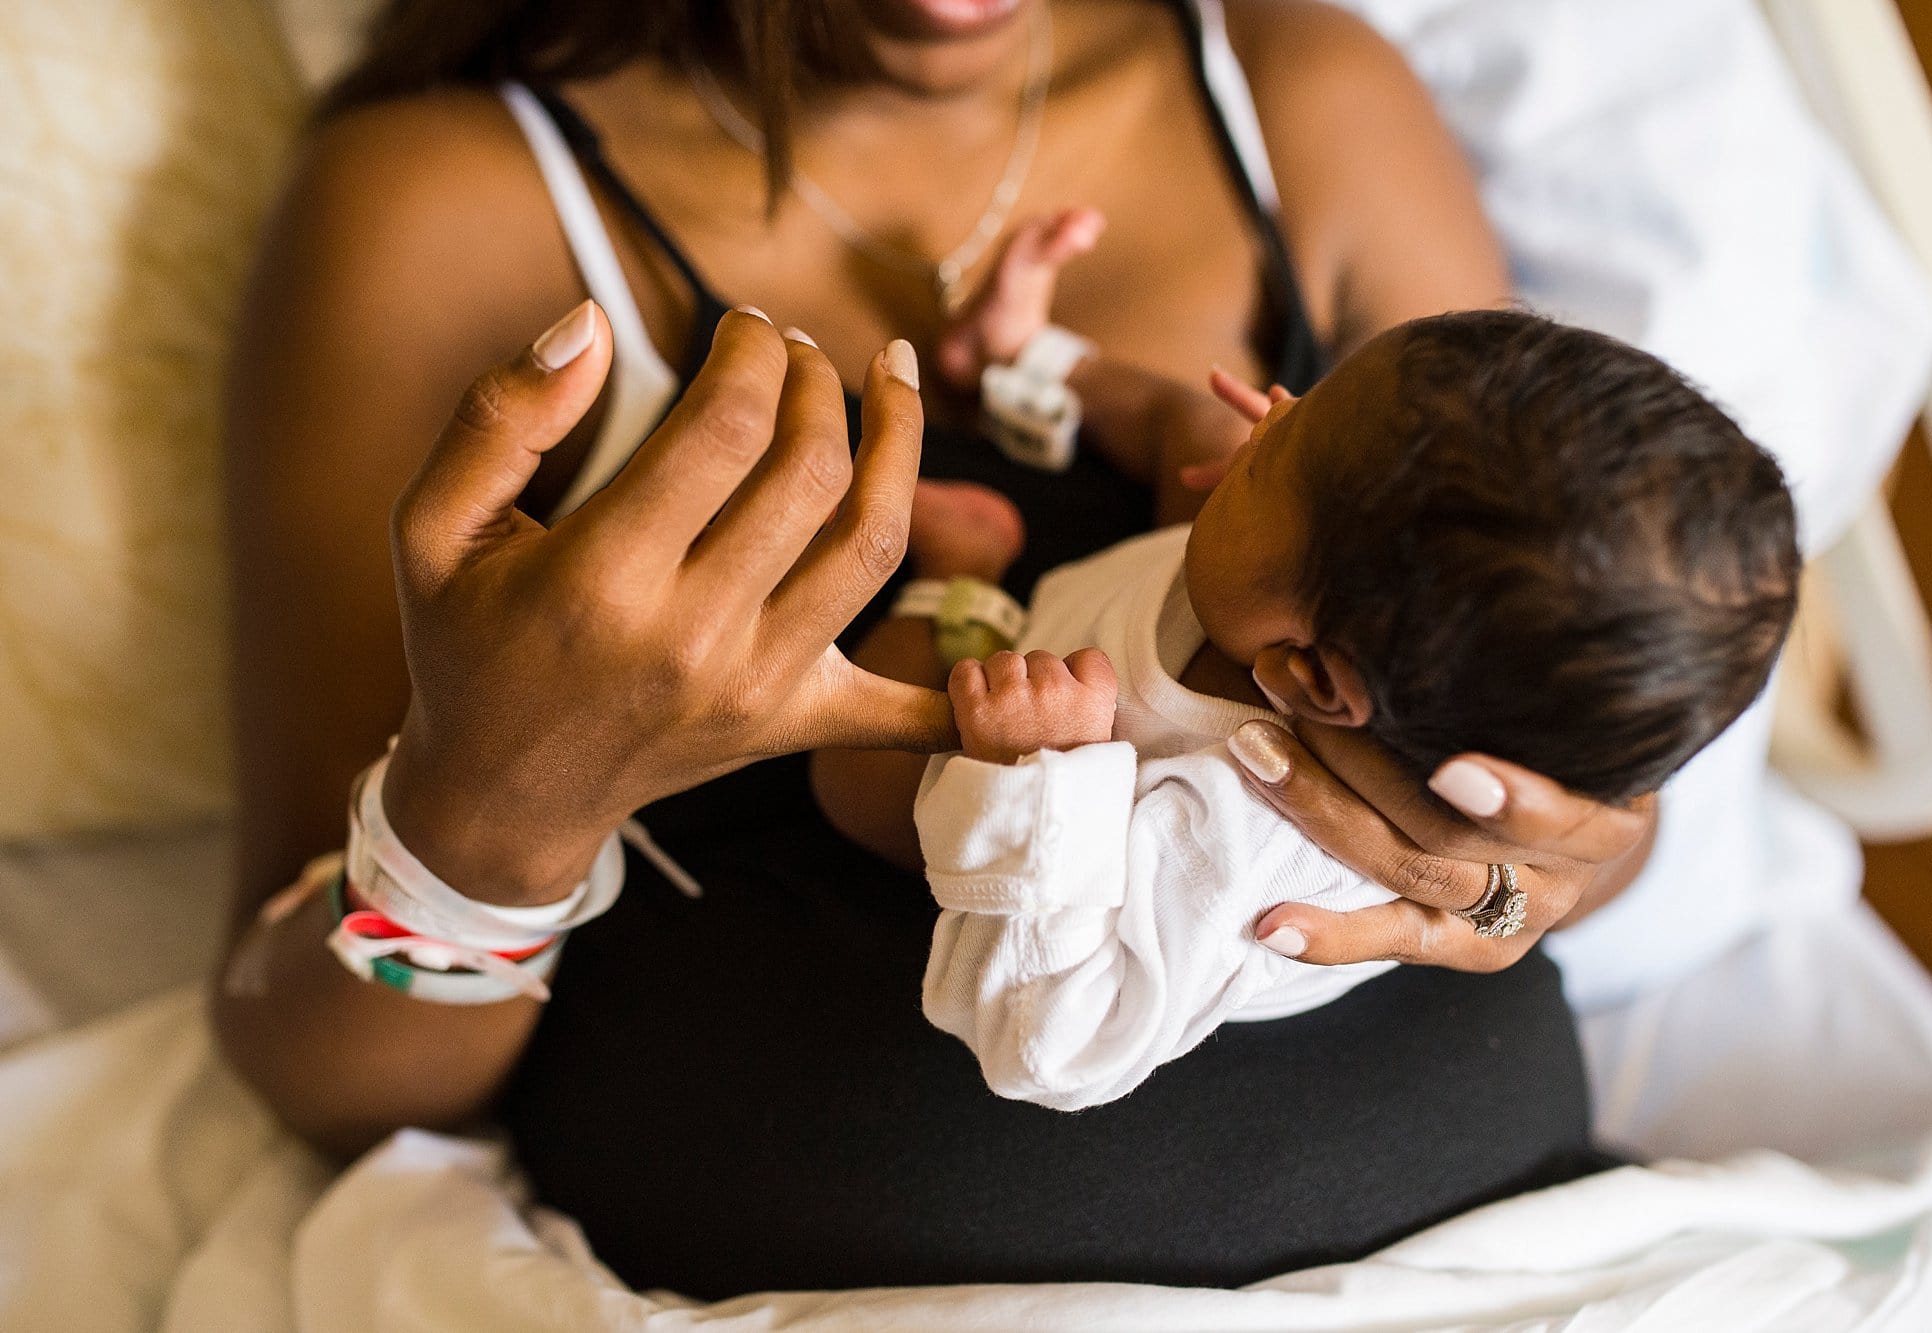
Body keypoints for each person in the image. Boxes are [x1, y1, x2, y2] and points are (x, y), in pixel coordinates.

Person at [212, 0, 1656, 1298]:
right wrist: (491, 811)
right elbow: (323, 1074)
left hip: (1522, 1266)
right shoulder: (449, 200)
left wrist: (1537, 861)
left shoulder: (1300, 94)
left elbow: (1585, 742)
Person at [815, 306, 1797, 1110]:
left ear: (1309, 679)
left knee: (859, 786)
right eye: (1314, 402)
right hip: (1148, 638)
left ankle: (960, 581)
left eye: (1276, 459)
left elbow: (1050, 1049)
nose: (1275, 409)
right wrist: (1044, 360)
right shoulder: (1307, 602)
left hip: (1081, 864)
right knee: (1201, 429)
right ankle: (1032, 360)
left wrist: (1037, 781)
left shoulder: (1235, 842)